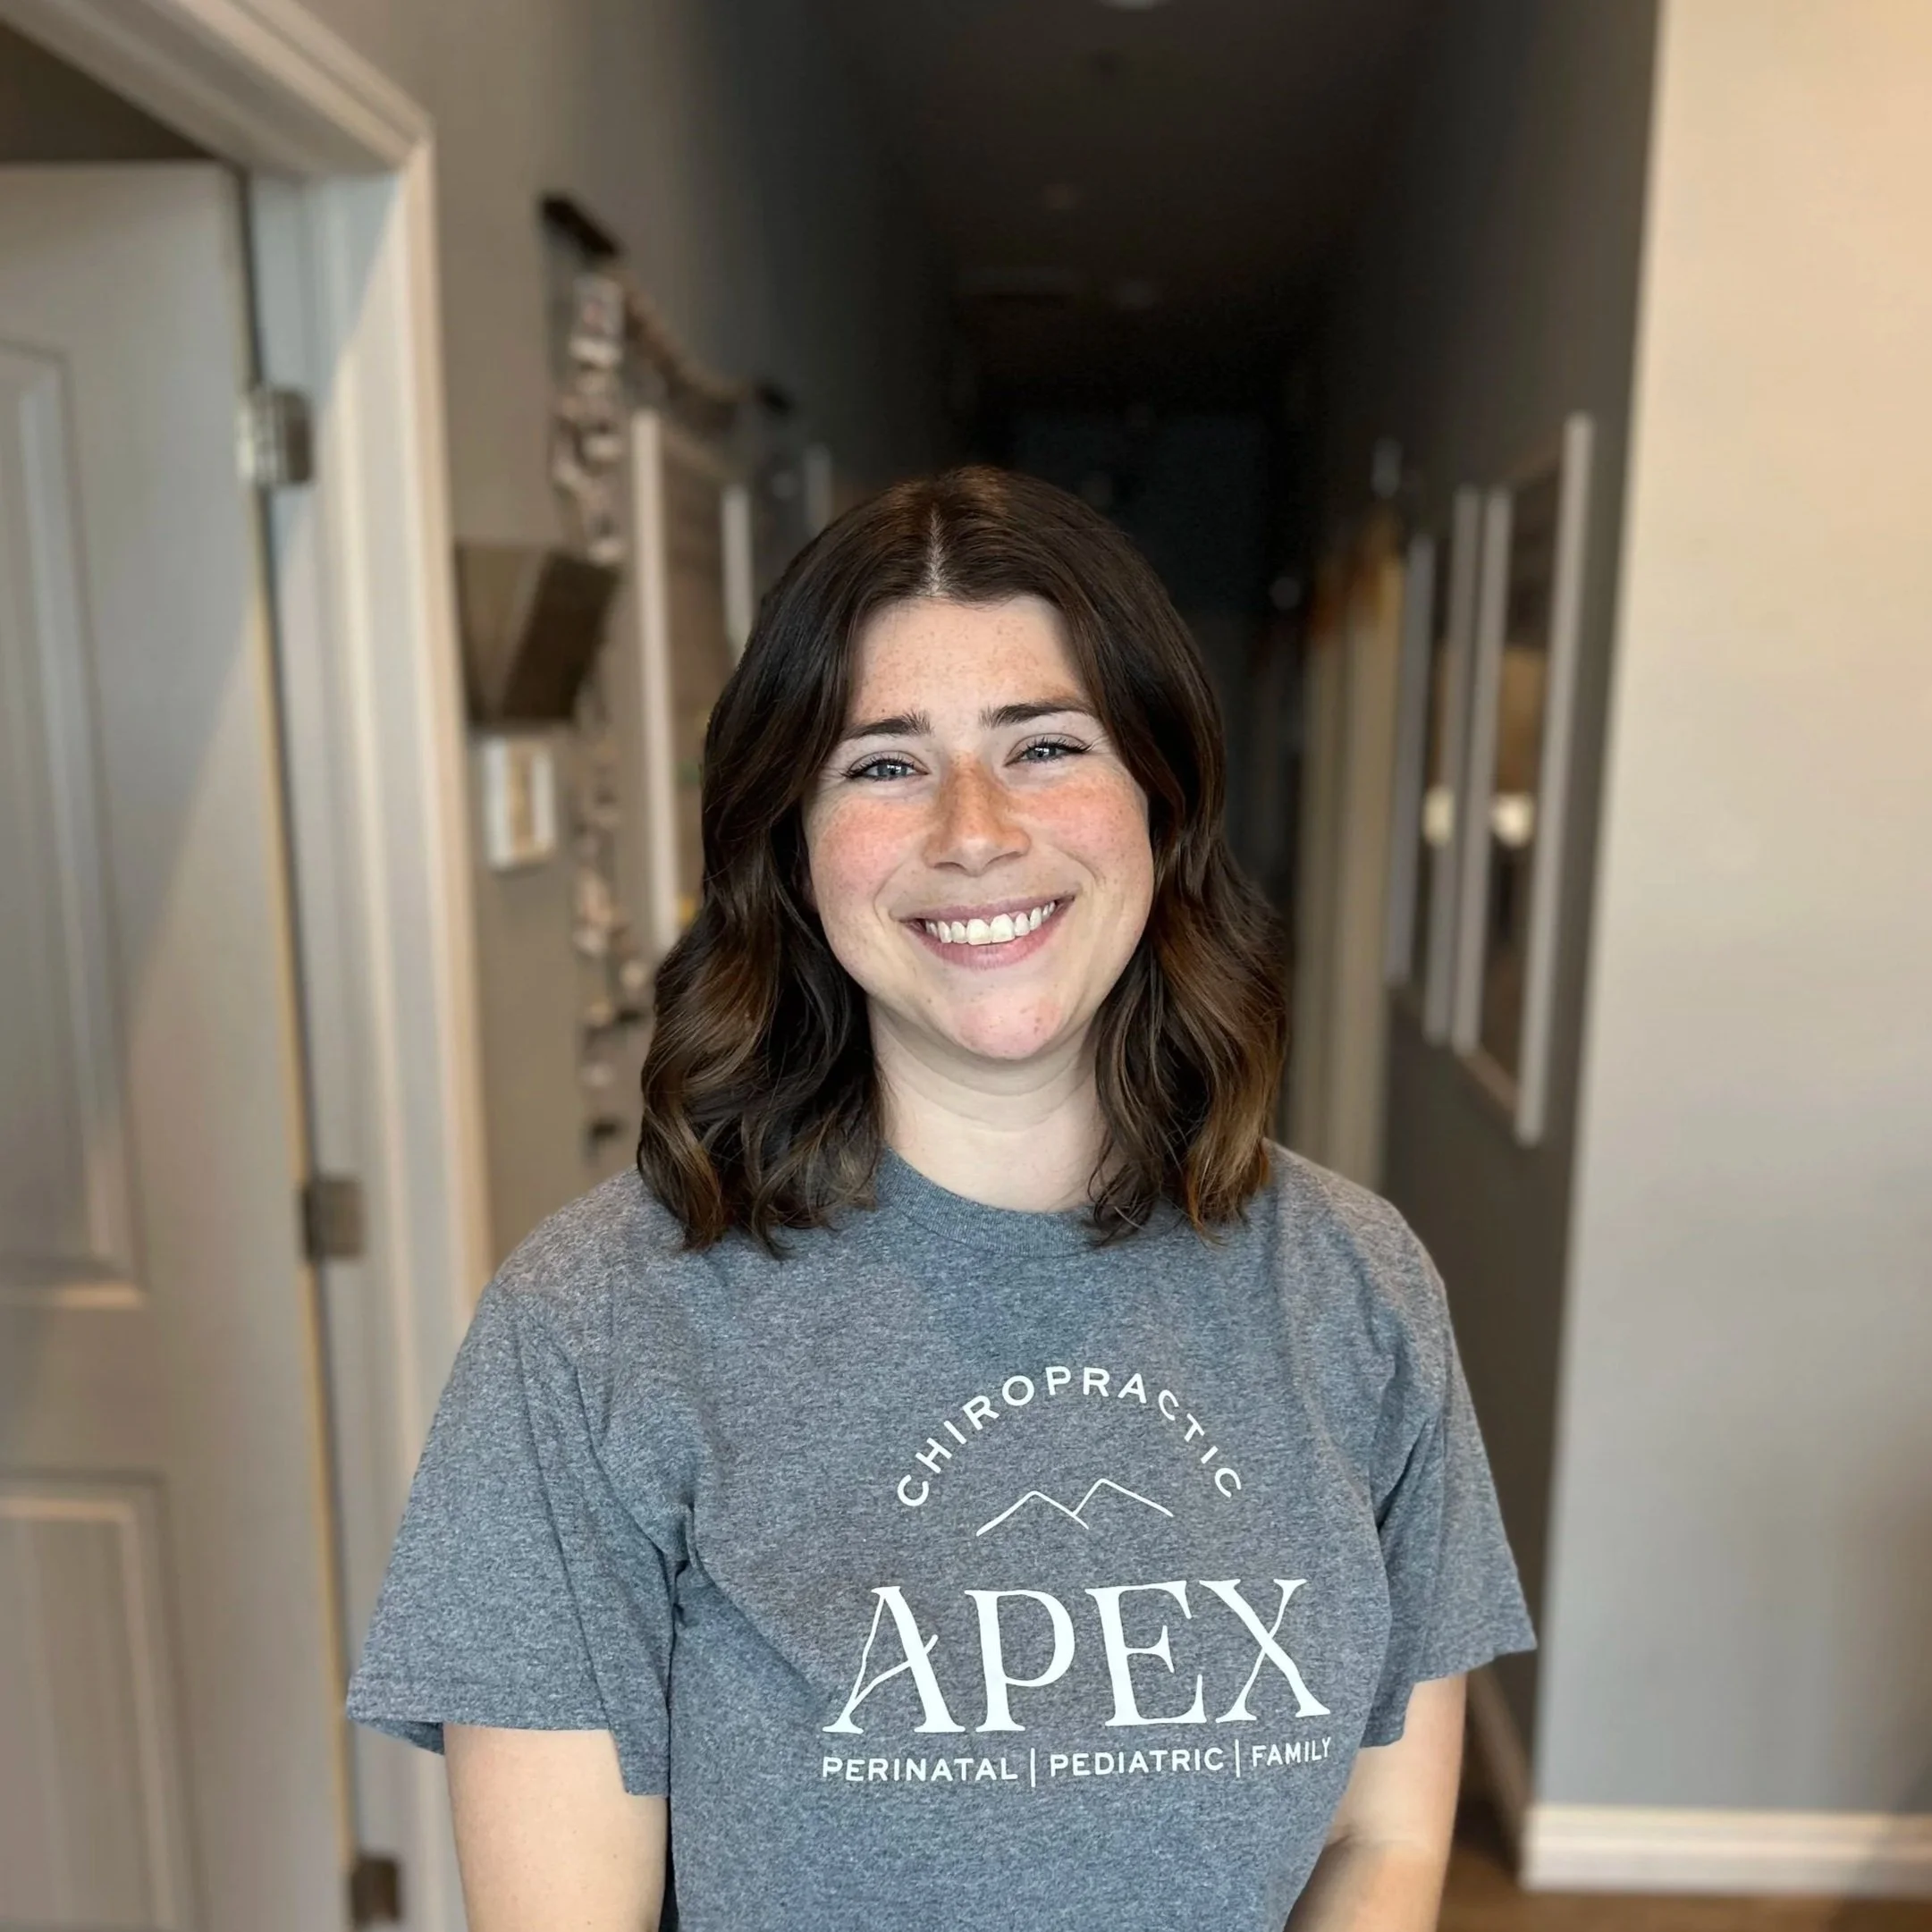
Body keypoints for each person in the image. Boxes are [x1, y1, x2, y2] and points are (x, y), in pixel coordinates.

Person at [347, 465, 1534, 1930]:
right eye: (885, 763)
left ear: (1159, 806)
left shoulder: (1357, 1286)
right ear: (790, 843)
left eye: (1044, 746)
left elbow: (1383, 1843)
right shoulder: (594, 1329)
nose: (973, 829)